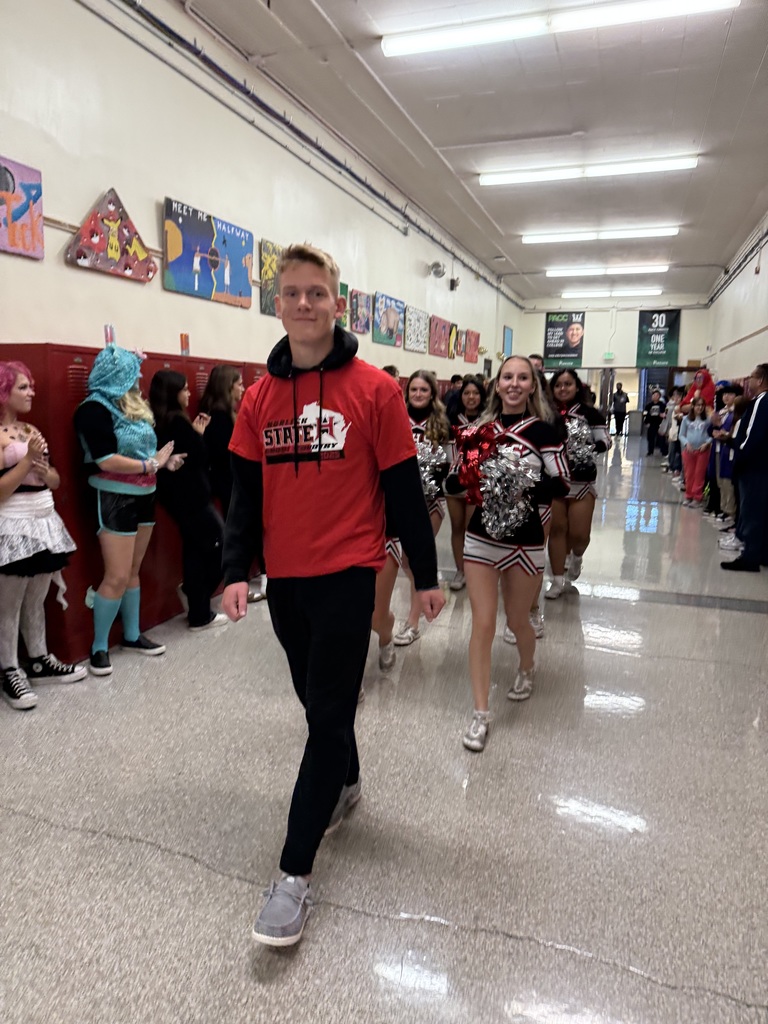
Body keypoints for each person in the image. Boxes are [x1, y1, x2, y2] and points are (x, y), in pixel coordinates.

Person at [221, 243, 445, 946]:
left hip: (351, 574)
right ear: (278, 303)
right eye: (292, 292)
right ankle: (346, 780)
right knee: (317, 704)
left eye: (317, 292)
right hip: (286, 582)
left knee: (322, 717)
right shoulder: (258, 397)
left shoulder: (374, 389)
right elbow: (243, 495)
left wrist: (427, 576)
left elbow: (405, 490)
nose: (305, 304)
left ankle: (293, 876)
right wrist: (234, 571)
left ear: (335, 302)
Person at [450, 356, 569, 752]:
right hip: (481, 538)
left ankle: (526, 666)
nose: (514, 384)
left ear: (533, 385)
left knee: (518, 621)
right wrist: (458, 477)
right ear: (496, 385)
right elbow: (458, 481)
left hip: (526, 542)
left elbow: (562, 483)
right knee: (482, 624)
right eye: (507, 377)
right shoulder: (479, 431)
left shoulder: (546, 433)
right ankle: (480, 714)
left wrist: (518, 483)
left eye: (522, 378)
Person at [74, 345, 184, 677]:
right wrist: (150, 464)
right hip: (115, 495)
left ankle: (133, 635)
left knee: (134, 570)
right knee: (117, 575)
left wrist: (164, 463)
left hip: (144, 491)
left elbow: (144, 455)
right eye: (132, 372)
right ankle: (98, 648)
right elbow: (106, 459)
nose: (138, 378)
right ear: (116, 374)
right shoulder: (92, 410)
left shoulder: (133, 406)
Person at [0, 362, 85, 710]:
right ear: (4, 392)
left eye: (31, 386)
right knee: (10, 603)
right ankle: (9, 669)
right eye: (23, 387)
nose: (31, 392)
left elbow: (55, 479)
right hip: (13, 522)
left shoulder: (29, 429)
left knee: (37, 597)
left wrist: (43, 469)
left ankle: (38, 658)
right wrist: (27, 462)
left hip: (43, 518)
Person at [149, 370, 228, 631]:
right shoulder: (176, 422)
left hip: (178, 499)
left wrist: (195, 433)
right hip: (192, 498)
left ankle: (199, 610)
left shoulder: (162, 421)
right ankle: (198, 601)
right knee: (221, 546)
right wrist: (197, 434)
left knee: (195, 550)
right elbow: (199, 455)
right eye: (184, 389)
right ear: (174, 394)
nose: (189, 393)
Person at [393, 369, 450, 645]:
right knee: (403, 560)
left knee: (411, 557)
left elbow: (452, 466)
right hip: (397, 501)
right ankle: (423, 588)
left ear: (432, 393)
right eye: (413, 389)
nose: (418, 394)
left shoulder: (442, 424)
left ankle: (412, 622)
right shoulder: (396, 419)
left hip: (430, 501)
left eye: (423, 390)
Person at [546, 368, 611, 598]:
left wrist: (588, 449)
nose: (563, 389)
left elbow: (605, 440)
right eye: (558, 385)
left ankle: (576, 555)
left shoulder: (589, 413)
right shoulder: (546, 413)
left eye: (568, 384)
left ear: (577, 387)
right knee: (556, 530)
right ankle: (556, 579)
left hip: (581, 481)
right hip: (554, 481)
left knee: (579, 535)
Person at [720, 364, 768, 572]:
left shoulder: (760, 402)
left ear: (761, 380)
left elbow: (751, 437)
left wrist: (738, 455)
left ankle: (750, 557)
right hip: (762, 466)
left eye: (752, 377)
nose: (748, 381)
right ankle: (762, 553)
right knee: (761, 511)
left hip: (754, 468)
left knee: (752, 510)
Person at [445, 377, 486, 591]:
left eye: (475, 393)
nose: (471, 397)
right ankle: (460, 571)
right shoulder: (451, 420)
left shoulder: (489, 420)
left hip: (476, 483)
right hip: (453, 483)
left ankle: (474, 572)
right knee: (457, 528)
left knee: (473, 529)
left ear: (482, 396)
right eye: (467, 393)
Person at [199, 365, 245, 518]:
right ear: (228, 387)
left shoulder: (224, 413)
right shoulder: (219, 417)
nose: (243, 389)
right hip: (225, 484)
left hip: (227, 483)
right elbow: (225, 454)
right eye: (239, 384)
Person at [679, 397, 711, 507]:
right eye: (697, 405)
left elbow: (711, 435)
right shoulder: (686, 419)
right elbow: (681, 435)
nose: (700, 407)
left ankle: (697, 497)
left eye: (702, 405)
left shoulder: (707, 420)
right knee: (689, 474)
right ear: (693, 406)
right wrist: (686, 443)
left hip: (702, 451)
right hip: (689, 451)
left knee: (699, 474)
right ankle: (689, 495)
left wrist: (706, 443)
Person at [643, 389, 666, 456]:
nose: (655, 396)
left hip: (659, 424)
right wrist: (646, 422)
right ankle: (650, 451)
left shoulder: (662, 405)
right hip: (651, 424)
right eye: (654, 395)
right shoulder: (648, 406)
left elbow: (664, 413)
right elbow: (645, 414)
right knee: (650, 438)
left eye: (657, 395)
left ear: (659, 396)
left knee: (661, 438)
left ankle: (663, 451)